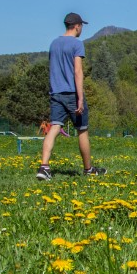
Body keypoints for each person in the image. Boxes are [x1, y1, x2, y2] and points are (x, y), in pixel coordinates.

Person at [37, 13, 105, 180]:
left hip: (55, 93)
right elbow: (77, 71)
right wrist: (80, 97)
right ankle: (88, 169)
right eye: (81, 26)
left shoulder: (54, 44)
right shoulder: (77, 44)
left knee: (54, 128)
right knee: (82, 131)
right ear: (77, 26)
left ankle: (44, 167)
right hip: (72, 93)